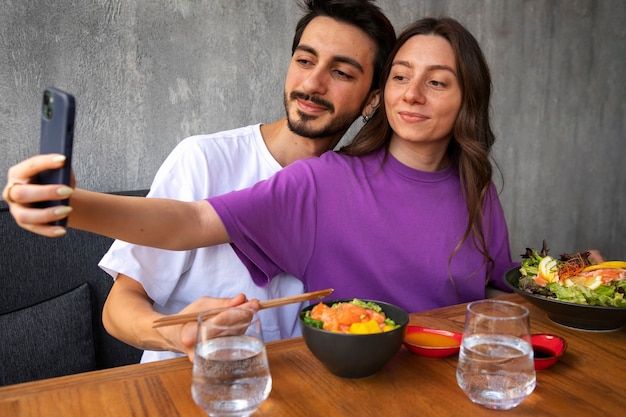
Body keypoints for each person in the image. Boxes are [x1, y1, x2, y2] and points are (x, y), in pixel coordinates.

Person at [6, 17, 520, 322]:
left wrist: (567, 281)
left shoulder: (476, 188)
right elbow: (190, 222)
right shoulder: (326, 181)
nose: (411, 93)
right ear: (383, 95)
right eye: (402, 76)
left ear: (466, 98)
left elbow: (498, 293)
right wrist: (71, 204)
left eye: (437, 82)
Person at [87, 0, 398, 363]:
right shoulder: (203, 160)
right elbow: (118, 308)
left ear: (372, 100)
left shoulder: (360, 192)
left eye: (342, 72)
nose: (313, 83)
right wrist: (178, 334)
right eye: (304, 60)